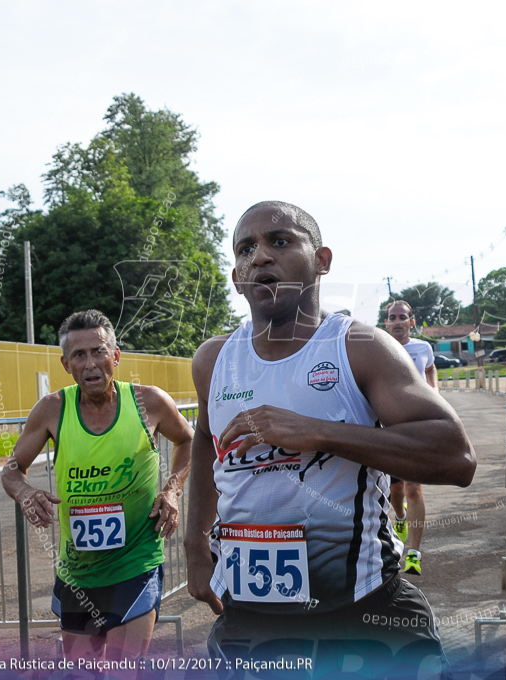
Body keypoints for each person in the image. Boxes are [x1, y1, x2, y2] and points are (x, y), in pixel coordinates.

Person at [185, 201, 477, 670]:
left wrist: (318, 433)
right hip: (250, 621)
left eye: (279, 241)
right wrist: (195, 544)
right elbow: (204, 438)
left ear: (321, 260)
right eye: (245, 249)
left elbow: (456, 456)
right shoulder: (213, 359)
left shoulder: (358, 347)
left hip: (361, 616)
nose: (259, 256)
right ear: (237, 278)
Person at [1, 309, 193, 662]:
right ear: (66, 364)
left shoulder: (148, 402)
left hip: (135, 563)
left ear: (116, 356)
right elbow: (12, 471)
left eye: (99, 351)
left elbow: (188, 441)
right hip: (78, 572)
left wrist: (172, 489)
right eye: (79, 355)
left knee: (124, 667)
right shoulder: (52, 410)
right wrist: (26, 493)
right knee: (81, 672)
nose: (91, 364)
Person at [383, 299, 437, 576]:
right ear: (386, 322)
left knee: (414, 489)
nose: (397, 321)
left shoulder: (423, 348)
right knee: (396, 490)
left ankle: (413, 554)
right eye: (392, 317)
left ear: (411, 322)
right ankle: (400, 517)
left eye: (402, 317)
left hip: (417, 425)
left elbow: (429, 369)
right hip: (389, 427)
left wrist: (434, 392)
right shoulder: (378, 347)